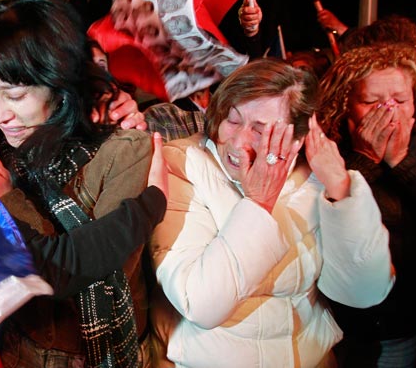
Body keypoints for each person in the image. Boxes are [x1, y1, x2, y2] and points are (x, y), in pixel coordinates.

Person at [0, 0, 163, 367]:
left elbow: (99, 268)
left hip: (94, 351)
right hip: (14, 346)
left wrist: (8, 200)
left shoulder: (121, 145)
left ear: (59, 80)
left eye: (16, 94)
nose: (0, 113)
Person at [148, 57, 394, 367]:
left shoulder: (315, 177)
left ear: (298, 137)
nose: (237, 141)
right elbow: (200, 304)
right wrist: (258, 203)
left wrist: (341, 188)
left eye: (260, 130)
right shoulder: (184, 163)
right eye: (233, 120)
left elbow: (363, 292)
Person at [318, 42, 416, 368]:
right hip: (346, 333)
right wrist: (367, 160)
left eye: (400, 100)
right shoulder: (329, 151)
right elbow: (329, 229)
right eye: (372, 101)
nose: (388, 111)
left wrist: (401, 161)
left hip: (411, 325)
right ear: (345, 106)